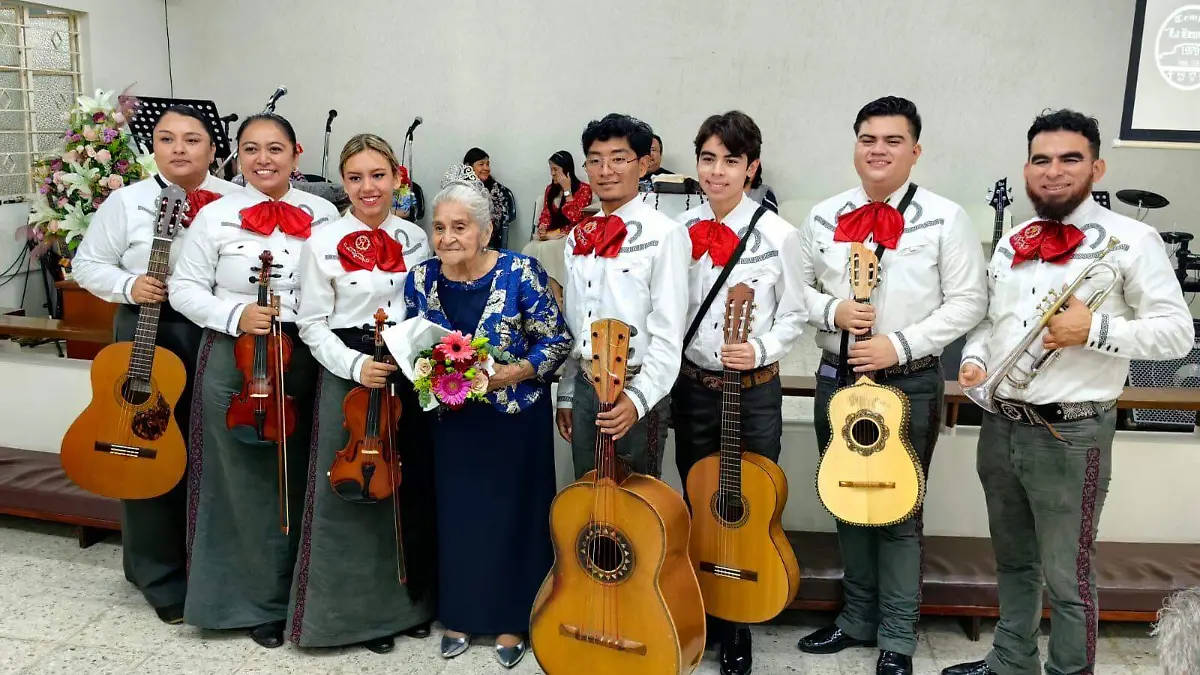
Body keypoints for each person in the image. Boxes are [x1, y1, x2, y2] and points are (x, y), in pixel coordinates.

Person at [945, 110, 1195, 675]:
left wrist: (1095, 330)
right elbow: (989, 321)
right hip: (1001, 422)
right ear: (1027, 169)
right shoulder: (1013, 241)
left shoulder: (1134, 239)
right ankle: (1011, 659)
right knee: (1012, 561)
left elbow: (1177, 332)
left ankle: (1068, 671)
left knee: (1067, 576)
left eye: (1070, 159)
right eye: (1042, 160)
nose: (1053, 171)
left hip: (1070, 432)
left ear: (1097, 167)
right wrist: (978, 359)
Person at [795, 96, 987, 675]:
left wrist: (897, 345)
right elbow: (794, 289)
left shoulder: (945, 218)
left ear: (915, 150)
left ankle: (898, 637)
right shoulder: (824, 216)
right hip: (839, 378)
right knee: (847, 499)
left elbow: (969, 304)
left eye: (892, 141)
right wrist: (831, 311)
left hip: (910, 385)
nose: (878, 151)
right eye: (867, 139)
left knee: (899, 511)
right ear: (855, 145)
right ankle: (855, 621)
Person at [168, 112, 339, 648]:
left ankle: (304, 597)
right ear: (236, 156)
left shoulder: (325, 211)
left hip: (306, 353)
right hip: (235, 357)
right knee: (241, 479)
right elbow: (183, 288)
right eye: (250, 149)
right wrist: (235, 316)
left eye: (275, 148)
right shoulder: (215, 216)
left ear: (297, 153)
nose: (263, 159)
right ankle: (248, 601)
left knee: (303, 473)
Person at [71, 104, 238, 625]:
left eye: (192, 139)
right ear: (154, 148)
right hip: (148, 326)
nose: (179, 149)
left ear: (214, 149)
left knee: (214, 448)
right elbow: (87, 264)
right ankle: (156, 572)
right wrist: (128, 284)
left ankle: (214, 566)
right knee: (143, 444)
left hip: (214, 330)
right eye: (167, 139)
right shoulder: (127, 201)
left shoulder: (237, 200)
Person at [404, 164, 571, 669]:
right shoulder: (420, 279)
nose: (448, 237)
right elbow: (414, 344)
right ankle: (459, 612)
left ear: (485, 230)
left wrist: (513, 373)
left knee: (513, 518)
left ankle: (512, 618)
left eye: (460, 227)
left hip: (513, 420)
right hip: (452, 425)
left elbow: (558, 340)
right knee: (459, 518)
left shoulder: (519, 272)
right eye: (439, 227)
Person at [289, 134, 436, 653]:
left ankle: (408, 606)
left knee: (405, 487)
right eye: (355, 178)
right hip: (348, 373)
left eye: (378, 176)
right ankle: (348, 616)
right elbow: (310, 322)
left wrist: (410, 360)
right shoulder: (321, 241)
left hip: (404, 369)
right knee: (351, 491)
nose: (367, 188)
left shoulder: (417, 237)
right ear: (343, 183)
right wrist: (354, 365)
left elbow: (424, 308)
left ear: (397, 177)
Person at [673, 111, 807, 675]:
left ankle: (738, 625)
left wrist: (759, 349)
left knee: (747, 502)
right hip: (694, 387)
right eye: (708, 158)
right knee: (698, 502)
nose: (718, 171)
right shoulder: (677, 231)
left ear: (751, 168)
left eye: (731, 161)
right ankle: (701, 606)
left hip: (751, 391)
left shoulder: (780, 235)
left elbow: (798, 313)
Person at [556, 113, 690, 479]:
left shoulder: (665, 234)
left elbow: (668, 332)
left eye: (619, 158)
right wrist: (567, 393)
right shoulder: (578, 236)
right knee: (587, 493)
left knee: (636, 504)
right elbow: (574, 320)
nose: (606, 170)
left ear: (643, 163)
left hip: (635, 384)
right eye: (595, 160)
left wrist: (639, 399)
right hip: (585, 384)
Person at [522, 150, 593, 306]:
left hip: (571, 234)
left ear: (566, 170)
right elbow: (546, 213)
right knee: (529, 249)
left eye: (556, 170)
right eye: (551, 169)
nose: (552, 173)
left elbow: (576, 218)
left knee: (547, 249)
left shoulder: (584, 189)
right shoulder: (550, 190)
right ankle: (534, 295)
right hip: (551, 234)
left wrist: (567, 191)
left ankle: (556, 296)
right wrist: (543, 226)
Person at [463, 147, 516, 250]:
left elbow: (499, 221)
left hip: (487, 240)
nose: (486, 168)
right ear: (468, 167)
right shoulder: (458, 189)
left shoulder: (498, 192)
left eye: (487, 164)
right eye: (481, 164)